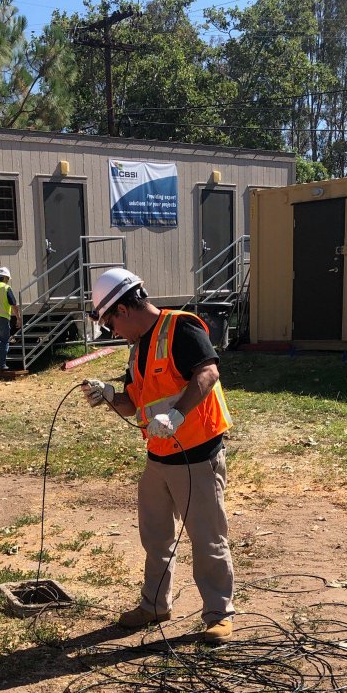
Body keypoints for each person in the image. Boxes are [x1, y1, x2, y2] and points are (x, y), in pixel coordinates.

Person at [82, 267, 234, 645]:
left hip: (197, 454)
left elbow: (208, 372)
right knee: (156, 537)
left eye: (110, 322)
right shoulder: (137, 351)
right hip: (159, 457)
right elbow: (133, 405)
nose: (113, 332)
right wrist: (108, 396)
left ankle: (218, 613)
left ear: (124, 308)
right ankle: (154, 605)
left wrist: (179, 412)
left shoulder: (180, 327)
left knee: (207, 536)